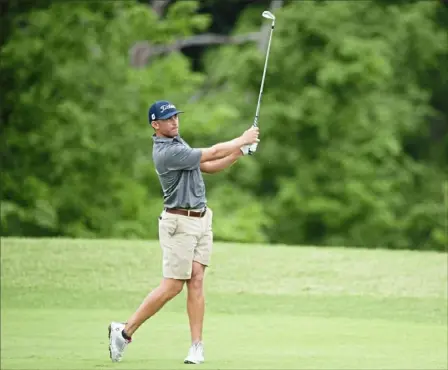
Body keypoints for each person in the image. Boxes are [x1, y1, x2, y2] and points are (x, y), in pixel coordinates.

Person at [108, 100, 260, 364]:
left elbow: (209, 167)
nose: (175, 122)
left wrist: (240, 152)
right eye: (168, 119)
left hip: (201, 219)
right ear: (155, 125)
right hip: (179, 224)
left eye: (176, 117)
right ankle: (124, 331)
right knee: (173, 286)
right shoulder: (166, 152)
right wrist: (241, 139)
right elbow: (211, 152)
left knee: (198, 279)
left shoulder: (179, 143)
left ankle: (196, 347)